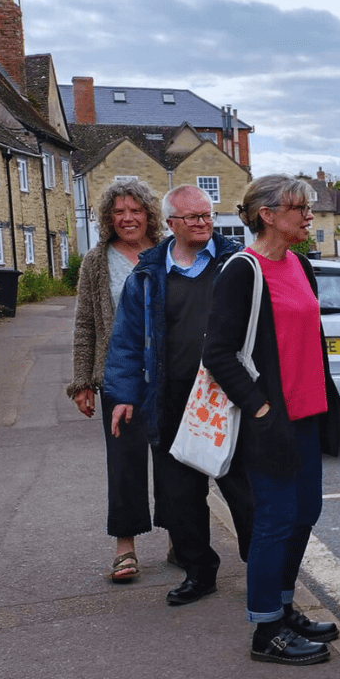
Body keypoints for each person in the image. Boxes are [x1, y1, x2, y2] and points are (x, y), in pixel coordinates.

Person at [204, 175, 340, 666]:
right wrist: (260, 407)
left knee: (306, 513)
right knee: (275, 521)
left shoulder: (302, 265)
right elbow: (218, 353)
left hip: (307, 414)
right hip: (271, 421)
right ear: (267, 214)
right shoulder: (242, 270)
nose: (309, 215)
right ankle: (266, 630)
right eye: (299, 207)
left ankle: (284, 609)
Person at [102, 185, 256, 606]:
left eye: (207, 215)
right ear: (171, 224)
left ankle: (263, 571)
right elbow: (128, 341)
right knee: (180, 495)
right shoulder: (148, 274)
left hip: (228, 399)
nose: (203, 223)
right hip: (170, 401)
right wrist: (123, 395)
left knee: (244, 490)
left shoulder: (237, 263)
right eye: (192, 218)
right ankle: (199, 571)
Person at [67, 178, 162, 582]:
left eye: (135, 210)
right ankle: (126, 547)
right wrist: (83, 380)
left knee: (175, 462)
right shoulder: (96, 260)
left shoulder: (166, 253)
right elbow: (86, 323)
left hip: (166, 376)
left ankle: (183, 539)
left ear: (149, 215)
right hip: (118, 377)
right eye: (119, 212)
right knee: (124, 463)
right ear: (108, 218)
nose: (128, 218)